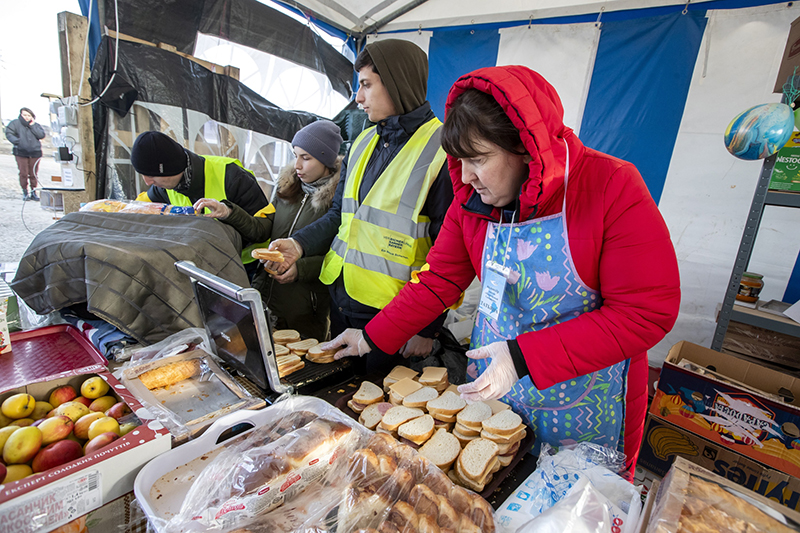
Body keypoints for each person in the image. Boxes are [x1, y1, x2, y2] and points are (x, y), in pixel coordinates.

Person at [322, 65, 681, 475]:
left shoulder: (611, 186)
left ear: (527, 148)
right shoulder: (472, 201)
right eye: (459, 161)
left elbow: (646, 312)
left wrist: (523, 357)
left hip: (584, 401)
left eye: (478, 159)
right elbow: (438, 280)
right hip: (494, 392)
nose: (466, 176)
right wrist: (373, 336)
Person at [268, 40, 455, 373]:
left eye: (367, 85)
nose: (358, 97)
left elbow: (449, 253)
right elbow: (340, 215)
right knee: (344, 399)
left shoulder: (442, 152)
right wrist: (298, 244)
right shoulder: (362, 143)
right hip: (342, 303)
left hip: (395, 316)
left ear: (397, 82)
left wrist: (428, 327)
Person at [194, 120, 344, 341]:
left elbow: (340, 257)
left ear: (326, 161)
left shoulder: (337, 205)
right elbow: (261, 229)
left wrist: (300, 269)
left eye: (306, 158)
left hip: (304, 308)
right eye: (295, 155)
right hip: (266, 293)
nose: (297, 165)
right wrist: (228, 212)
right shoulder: (287, 188)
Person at [131, 131, 273, 274]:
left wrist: (228, 214)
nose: (147, 182)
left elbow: (262, 230)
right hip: (202, 264)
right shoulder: (162, 187)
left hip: (246, 265)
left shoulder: (233, 177)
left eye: (150, 175)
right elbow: (136, 209)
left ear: (169, 168)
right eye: (142, 174)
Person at [6, 107, 45, 201]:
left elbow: (41, 135)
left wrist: (32, 126)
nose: (27, 117)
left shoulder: (36, 125)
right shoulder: (14, 123)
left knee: (33, 174)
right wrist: (17, 141)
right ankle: (25, 192)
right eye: (25, 115)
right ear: (21, 115)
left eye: (29, 115)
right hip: (21, 152)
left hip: (35, 152)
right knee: (23, 173)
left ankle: (33, 192)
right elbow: (9, 133)